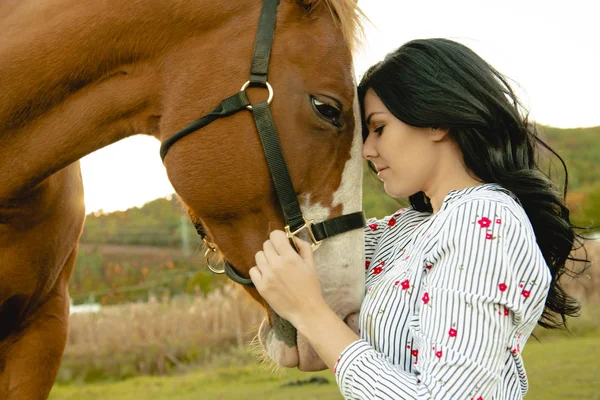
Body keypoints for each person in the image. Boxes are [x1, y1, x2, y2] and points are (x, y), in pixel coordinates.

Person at [248, 38, 586, 400]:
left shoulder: (486, 222)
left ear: (436, 121)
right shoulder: (409, 229)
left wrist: (312, 313)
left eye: (378, 128)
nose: (366, 150)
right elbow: (305, 251)